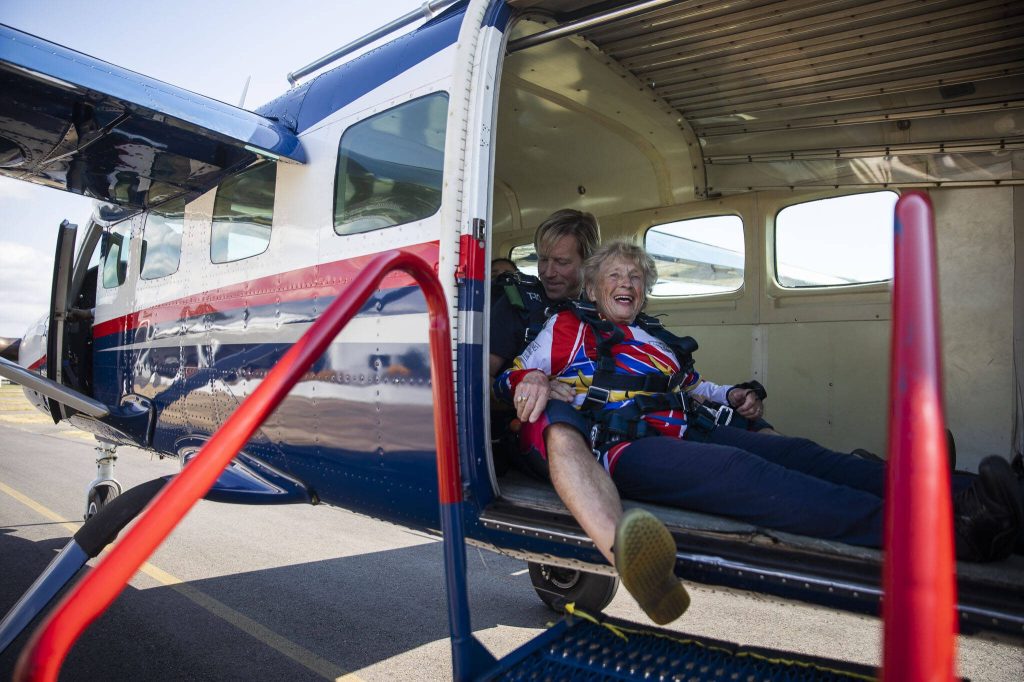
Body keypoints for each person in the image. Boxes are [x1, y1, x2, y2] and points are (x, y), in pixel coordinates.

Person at [495, 239, 1024, 625]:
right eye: (614, 276)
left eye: (636, 278)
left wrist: (734, 397)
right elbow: (510, 375)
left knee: (800, 453)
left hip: (688, 427)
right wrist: (534, 376)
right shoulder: (569, 327)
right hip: (627, 446)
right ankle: (947, 533)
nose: (627, 284)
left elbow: (696, 386)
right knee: (747, 474)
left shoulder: (654, 337)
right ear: (592, 286)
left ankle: (972, 494)